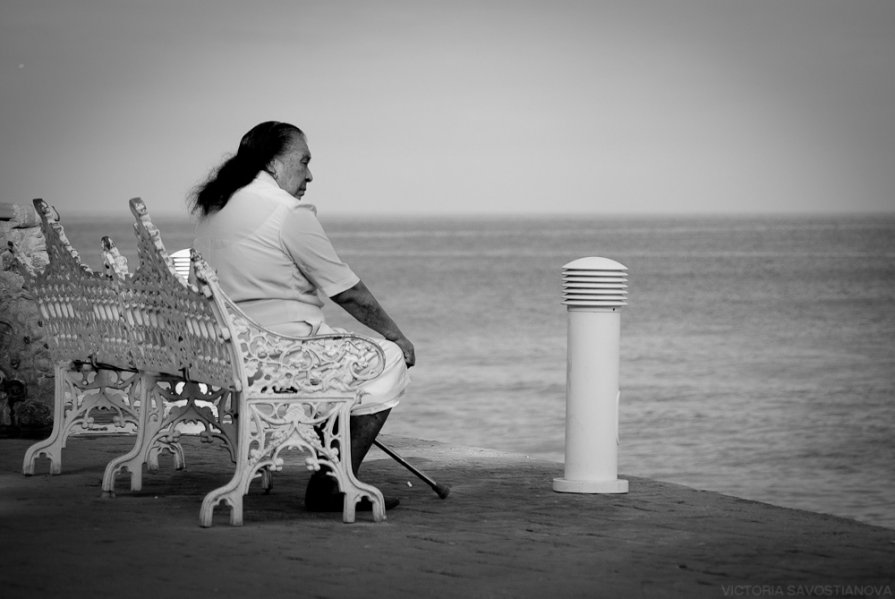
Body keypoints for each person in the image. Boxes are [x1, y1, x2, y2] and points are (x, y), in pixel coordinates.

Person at [189, 121, 414, 511]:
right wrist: (397, 337)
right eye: (304, 161)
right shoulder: (287, 213)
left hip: (227, 354)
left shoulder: (215, 210)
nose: (310, 174)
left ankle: (331, 472)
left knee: (346, 360)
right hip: (280, 354)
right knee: (386, 360)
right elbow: (349, 292)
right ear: (275, 163)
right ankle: (333, 485)